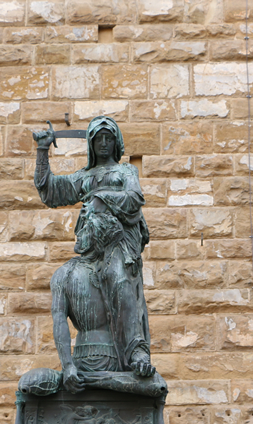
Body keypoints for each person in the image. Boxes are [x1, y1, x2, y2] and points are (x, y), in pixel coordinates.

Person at [33, 117, 155, 387]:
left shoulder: (125, 172)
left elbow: (135, 198)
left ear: (116, 142)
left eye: (108, 138)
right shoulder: (84, 177)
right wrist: (42, 152)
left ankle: (136, 350)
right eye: (98, 139)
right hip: (91, 241)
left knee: (119, 277)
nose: (103, 144)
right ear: (90, 143)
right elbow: (52, 191)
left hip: (119, 242)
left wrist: (102, 199)